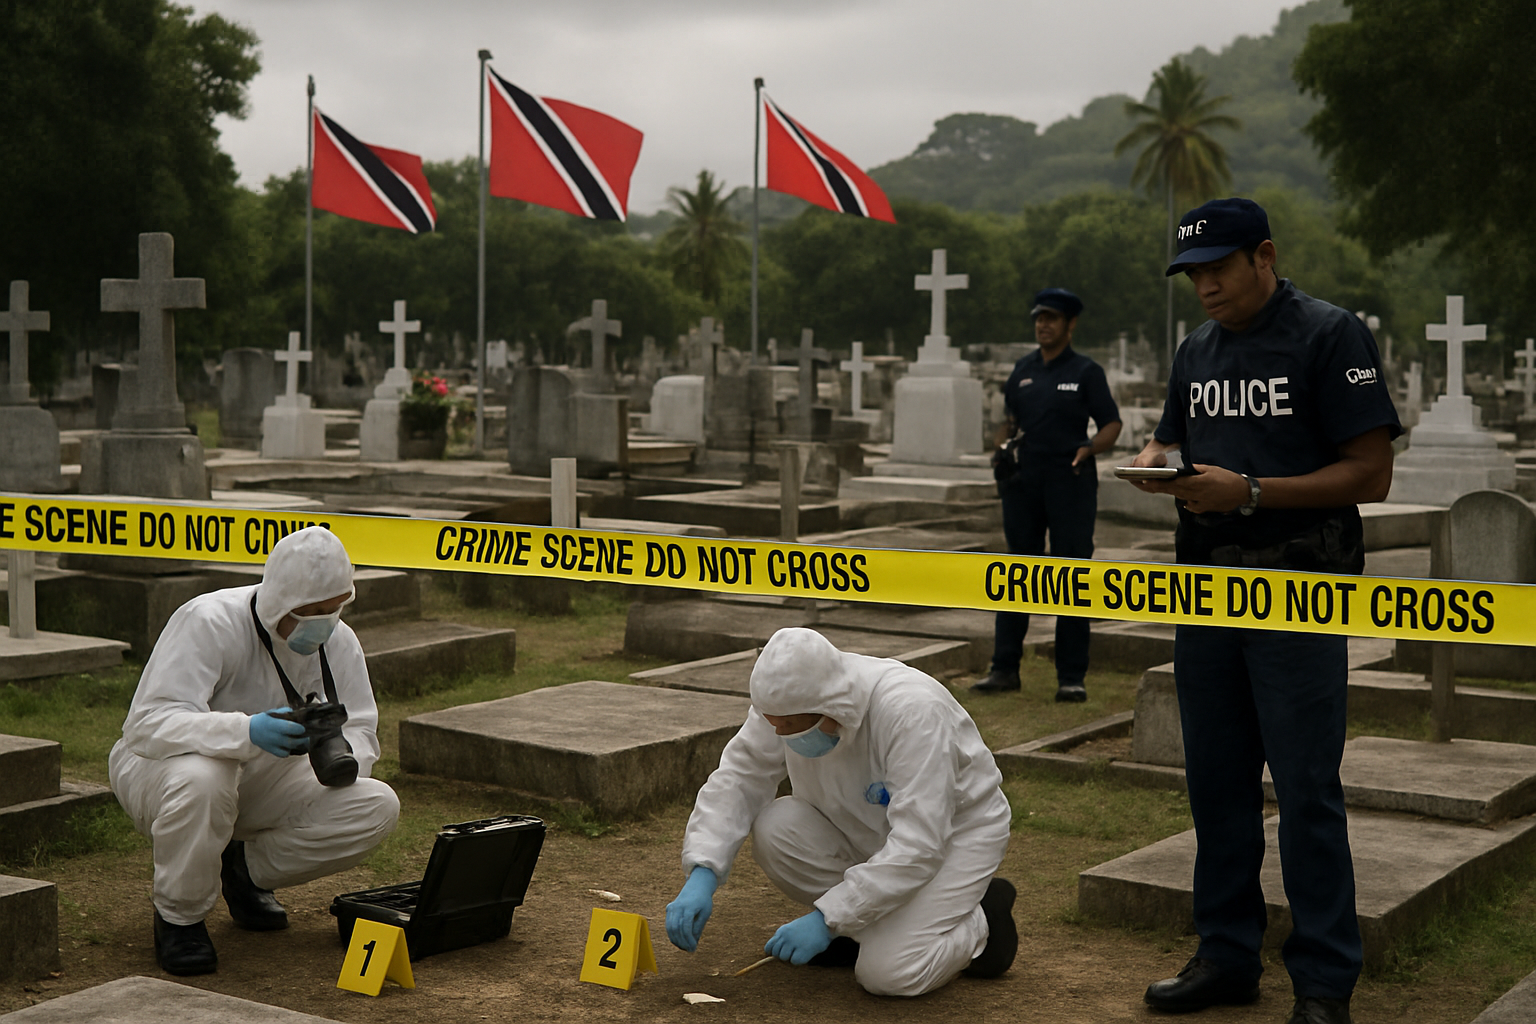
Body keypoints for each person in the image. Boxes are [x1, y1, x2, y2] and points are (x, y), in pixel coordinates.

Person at [1126, 197, 1399, 1024]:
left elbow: (1370, 473)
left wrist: (1247, 494)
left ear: (1264, 256)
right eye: (1192, 274)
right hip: (1208, 589)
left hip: (1298, 588)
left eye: (1217, 268)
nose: (1204, 287)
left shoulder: (1328, 334)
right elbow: (1174, 441)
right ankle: (1226, 954)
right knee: (1216, 782)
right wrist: (1154, 461)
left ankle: (1323, 982)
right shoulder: (1196, 350)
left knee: (1307, 787)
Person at [109, 526, 400, 976]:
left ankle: (242, 871)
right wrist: (245, 731)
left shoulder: (339, 641)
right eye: (310, 612)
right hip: (163, 771)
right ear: (278, 601)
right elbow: (147, 725)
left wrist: (338, 754)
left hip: (263, 775)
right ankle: (179, 918)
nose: (324, 623)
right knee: (207, 776)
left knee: (376, 804)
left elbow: (362, 724)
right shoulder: (210, 621)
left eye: (335, 609)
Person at [665, 627, 1017, 997]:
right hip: (862, 826)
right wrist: (703, 872)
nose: (779, 732)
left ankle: (983, 919)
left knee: (890, 973)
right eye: (772, 722)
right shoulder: (787, 700)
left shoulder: (912, 711)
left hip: (953, 841)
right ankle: (860, 926)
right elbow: (740, 776)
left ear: (830, 706)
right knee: (775, 829)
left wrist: (827, 918)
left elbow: (920, 843)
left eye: (790, 725)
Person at [973, 287, 1122, 701]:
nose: (1043, 324)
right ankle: (1004, 668)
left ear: (1070, 324)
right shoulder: (1022, 370)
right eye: (1039, 317)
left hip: (1070, 480)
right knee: (1016, 573)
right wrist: (999, 448)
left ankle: (1071, 676)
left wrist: (1091, 448)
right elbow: (1011, 420)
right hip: (1024, 482)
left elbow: (1112, 423)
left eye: (1052, 318)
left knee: (1072, 573)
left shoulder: (1086, 372)